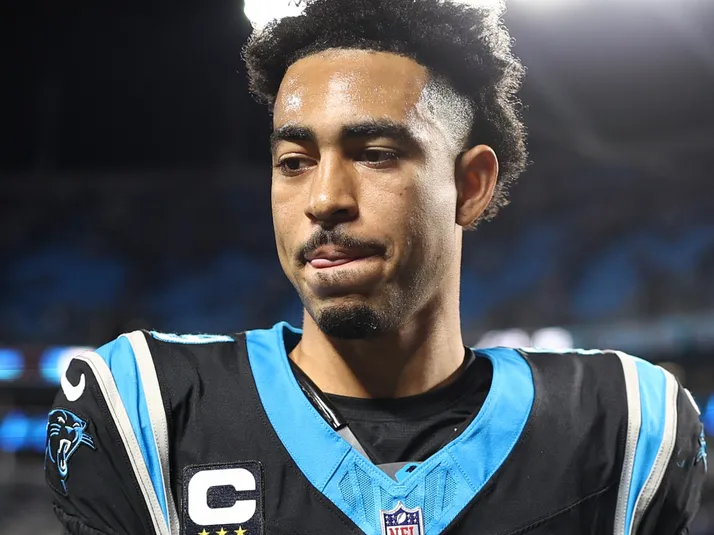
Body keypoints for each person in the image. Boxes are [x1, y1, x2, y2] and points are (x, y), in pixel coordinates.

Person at [45, 0, 706, 534]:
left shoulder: (623, 427)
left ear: (471, 185)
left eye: (376, 153)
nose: (324, 198)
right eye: (294, 162)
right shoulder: (148, 410)